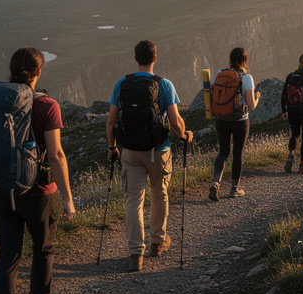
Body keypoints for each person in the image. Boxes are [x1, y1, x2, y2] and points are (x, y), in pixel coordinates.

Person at [0, 46, 76, 294]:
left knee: (7, 258)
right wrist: (68, 199)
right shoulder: (47, 105)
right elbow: (57, 154)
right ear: (38, 72)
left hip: (1, 193)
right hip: (39, 195)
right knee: (43, 251)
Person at [106, 40, 193, 272]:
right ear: (155, 58)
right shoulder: (164, 85)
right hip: (158, 150)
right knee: (159, 194)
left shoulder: (121, 83)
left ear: (136, 58)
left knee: (134, 199)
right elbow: (174, 121)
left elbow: (111, 120)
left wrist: (112, 147)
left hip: (130, 151)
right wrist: (185, 135)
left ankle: (136, 253)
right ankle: (157, 242)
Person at [209, 46, 258, 200]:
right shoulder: (246, 78)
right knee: (237, 154)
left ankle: (216, 183)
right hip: (240, 121)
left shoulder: (219, 74)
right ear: (245, 60)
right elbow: (251, 105)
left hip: (221, 119)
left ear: (230, 60)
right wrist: (257, 97)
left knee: (223, 152)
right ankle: (234, 189)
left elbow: (212, 93)